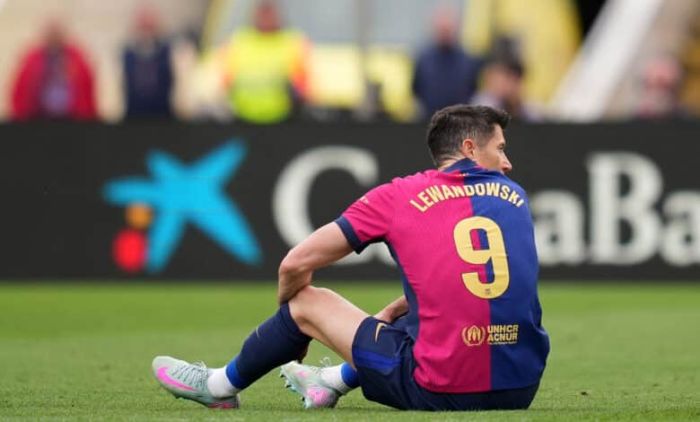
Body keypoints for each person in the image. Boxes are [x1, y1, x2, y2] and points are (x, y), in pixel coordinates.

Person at [151, 105, 550, 411]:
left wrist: (292, 325)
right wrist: (395, 310)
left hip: (440, 391)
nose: (507, 162)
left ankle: (219, 386)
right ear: (469, 149)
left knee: (308, 301)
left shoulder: (398, 196)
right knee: (416, 311)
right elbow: (469, 284)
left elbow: (294, 264)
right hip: (520, 387)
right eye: (500, 149)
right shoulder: (515, 196)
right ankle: (330, 381)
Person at [221, 0, 309, 124]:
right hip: (242, 117)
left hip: (282, 118)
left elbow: (302, 86)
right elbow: (226, 82)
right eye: (263, 14)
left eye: (269, 15)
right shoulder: (238, 41)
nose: (266, 19)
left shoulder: (292, 42)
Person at [9, 19, 97, 121]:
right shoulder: (32, 59)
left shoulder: (76, 58)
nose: (54, 39)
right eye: (51, 35)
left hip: (72, 117)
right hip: (38, 116)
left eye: (57, 35)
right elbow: (21, 88)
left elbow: (86, 88)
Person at [412, 8, 482, 118]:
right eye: (442, 29)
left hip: (460, 121)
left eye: (447, 30)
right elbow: (416, 89)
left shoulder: (468, 61)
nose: (444, 33)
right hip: (429, 119)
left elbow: (473, 89)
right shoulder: (423, 60)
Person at [122, 8, 173, 118]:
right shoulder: (127, 55)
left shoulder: (167, 52)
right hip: (134, 116)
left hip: (162, 116)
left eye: (149, 27)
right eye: (143, 27)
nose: (146, 32)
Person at [471, 54, 541, 122]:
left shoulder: (527, 107)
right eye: (507, 77)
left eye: (516, 79)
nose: (510, 84)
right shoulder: (482, 103)